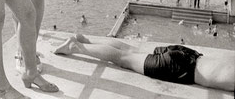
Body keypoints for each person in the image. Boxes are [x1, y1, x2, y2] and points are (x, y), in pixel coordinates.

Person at [54, 34, 234, 92]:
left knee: (130, 50)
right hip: (180, 68)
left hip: (189, 55)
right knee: (123, 59)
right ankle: (76, 47)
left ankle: (84, 40)